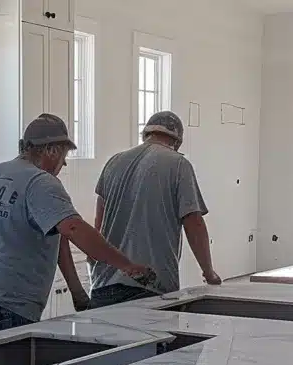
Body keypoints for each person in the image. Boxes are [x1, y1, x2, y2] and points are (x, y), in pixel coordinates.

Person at [0, 114, 156, 338]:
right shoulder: (41, 182)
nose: (64, 163)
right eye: (63, 155)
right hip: (8, 309)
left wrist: (77, 293)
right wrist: (128, 265)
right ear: (51, 150)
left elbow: (59, 239)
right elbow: (73, 229)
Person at [80, 110, 219, 309]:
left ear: (145, 134)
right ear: (177, 142)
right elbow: (194, 223)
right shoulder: (178, 164)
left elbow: (98, 226)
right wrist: (209, 272)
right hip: (151, 286)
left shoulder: (113, 162)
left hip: (104, 285)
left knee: (111, 340)